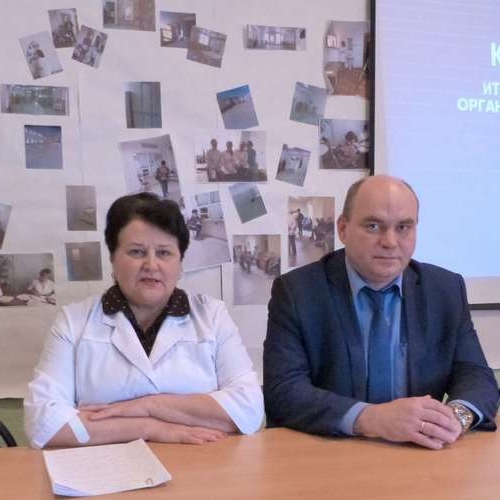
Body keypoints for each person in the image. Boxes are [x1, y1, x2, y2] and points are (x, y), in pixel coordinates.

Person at [264, 175, 498, 450]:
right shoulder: (298, 291)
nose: (390, 241)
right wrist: (370, 418)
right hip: (330, 453)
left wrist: (455, 417)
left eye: (403, 227)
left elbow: (476, 375)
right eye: (373, 226)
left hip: (420, 453)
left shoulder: (444, 288)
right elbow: (283, 391)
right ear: (343, 229)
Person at [25, 193, 264, 449]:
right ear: (113, 259)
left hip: (201, 465)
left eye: (164, 253)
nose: (151, 264)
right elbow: (43, 423)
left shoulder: (212, 316)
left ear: (180, 263)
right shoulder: (74, 322)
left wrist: (149, 405)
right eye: (137, 252)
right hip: (106, 468)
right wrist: (149, 427)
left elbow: (249, 410)